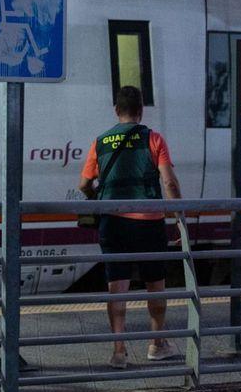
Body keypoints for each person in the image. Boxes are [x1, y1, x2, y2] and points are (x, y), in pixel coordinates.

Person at [77, 85, 183, 368]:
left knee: (117, 288)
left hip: (113, 223)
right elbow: (169, 183)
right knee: (155, 286)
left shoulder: (99, 142)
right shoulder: (153, 138)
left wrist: (95, 197)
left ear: (116, 110)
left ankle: (119, 352)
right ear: (141, 110)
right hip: (149, 224)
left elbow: (84, 185)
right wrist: (179, 219)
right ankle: (157, 344)